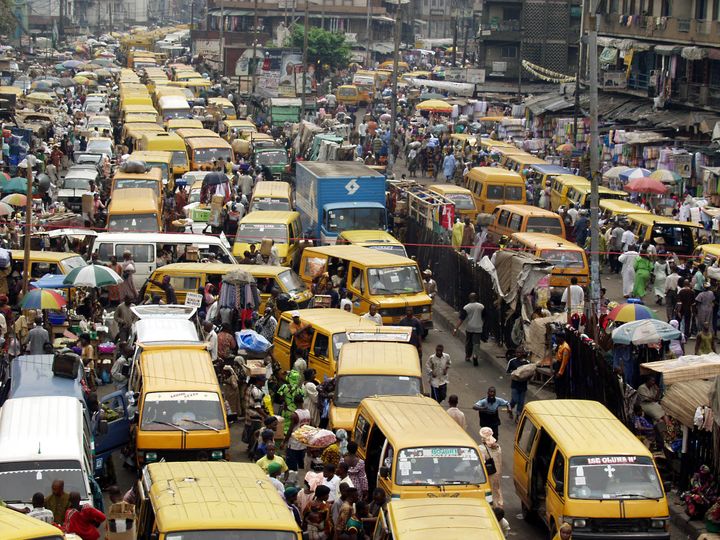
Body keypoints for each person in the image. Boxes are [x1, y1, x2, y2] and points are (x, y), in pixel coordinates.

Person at [453, 292, 484, 366]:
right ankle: (475, 355)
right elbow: (485, 317)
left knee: (469, 342)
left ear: (469, 298)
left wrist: (455, 329)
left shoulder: (466, 307)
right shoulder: (481, 306)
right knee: (476, 343)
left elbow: (461, 319)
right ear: (476, 298)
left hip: (469, 327)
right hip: (478, 328)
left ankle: (468, 356)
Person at [283, 395, 311, 472]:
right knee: (300, 465)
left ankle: (291, 479)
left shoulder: (295, 415)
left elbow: (290, 430)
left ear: (294, 403)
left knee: (291, 466)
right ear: (302, 402)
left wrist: (284, 442)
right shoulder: (308, 412)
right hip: (303, 442)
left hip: (294, 444)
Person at [479, 426, 503, 507]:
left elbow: (482, 463)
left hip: (489, 474)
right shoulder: (498, 447)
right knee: (497, 490)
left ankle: (492, 507)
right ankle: (499, 505)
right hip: (497, 473)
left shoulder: (481, 449)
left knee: (490, 492)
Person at [506, 347, 531, 417]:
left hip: (523, 385)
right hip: (515, 385)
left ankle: (518, 415)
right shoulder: (512, 361)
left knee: (521, 402)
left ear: (523, 353)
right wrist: (515, 373)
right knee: (515, 399)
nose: (518, 354)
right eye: (517, 352)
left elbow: (530, 372)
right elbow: (508, 371)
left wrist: (527, 377)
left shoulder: (527, 363)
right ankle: (510, 406)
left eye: (520, 352)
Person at [553, 334, 572, 398]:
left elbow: (564, 362)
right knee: (557, 384)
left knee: (561, 384)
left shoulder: (565, 347)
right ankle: (558, 396)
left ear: (561, 338)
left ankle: (561, 397)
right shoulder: (560, 345)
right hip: (558, 364)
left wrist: (560, 372)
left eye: (557, 338)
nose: (556, 339)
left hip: (561, 367)